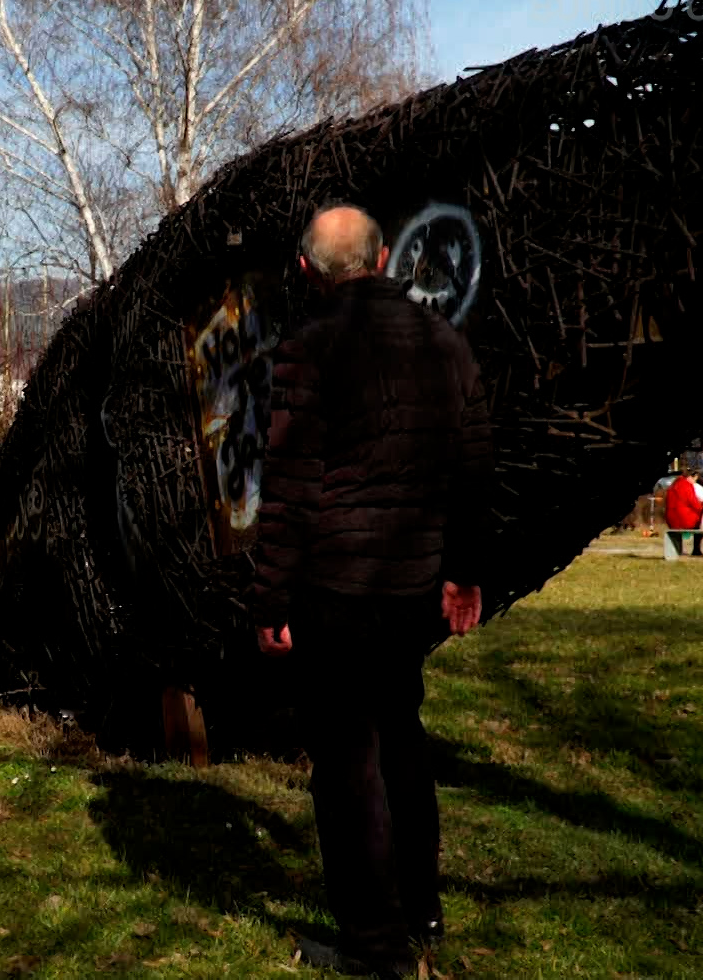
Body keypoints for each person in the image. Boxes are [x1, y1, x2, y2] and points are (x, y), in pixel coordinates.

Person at [248, 204, 493, 979]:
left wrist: (270, 599)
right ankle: (420, 910)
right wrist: (463, 571)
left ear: (304, 271)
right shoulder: (443, 343)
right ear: (385, 257)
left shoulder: (310, 348)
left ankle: (375, 949)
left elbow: (288, 489)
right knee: (402, 743)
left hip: (334, 589)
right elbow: (475, 468)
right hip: (409, 585)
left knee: (350, 766)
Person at [663, 470, 703, 557]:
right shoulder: (687, 486)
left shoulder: (673, 485)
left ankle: (677, 549)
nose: (695, 482)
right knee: (701, 523)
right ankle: (696, 550)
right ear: (691, 477)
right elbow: (695, 504)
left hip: (671, 519)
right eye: (695, 479)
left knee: (681, 524)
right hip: (683, 519)